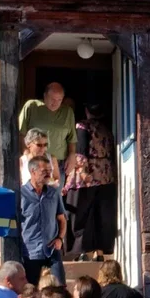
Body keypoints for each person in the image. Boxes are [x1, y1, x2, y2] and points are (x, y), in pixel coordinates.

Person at [64, 104, 116, 258]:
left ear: (86, 111)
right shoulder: (106, 129)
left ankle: (82, 251)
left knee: (81, 214)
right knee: (102, 214)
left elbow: (80, 153)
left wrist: (79, 176)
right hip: (106, 176)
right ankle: (99, 252)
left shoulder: (82, 126)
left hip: (87, 177)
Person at [19, 155, 67, 286]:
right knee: (31, 289)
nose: (48, 174)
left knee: (59, 287)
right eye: (44, 171)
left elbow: (62, 219)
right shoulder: (21, 194)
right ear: (32, 172)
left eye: (50, 170)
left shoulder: (54, 193)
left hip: (51, 249)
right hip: (30, 252)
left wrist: (60, 238)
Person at [17, 81, 75, 176]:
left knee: (55, 186)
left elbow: (72, 138)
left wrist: (72, 155)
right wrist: (26, 154)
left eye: (59, 100)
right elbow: (21, 133)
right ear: (45, 96)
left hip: (58, 164)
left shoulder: (68, 112)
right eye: (52, 99)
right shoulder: (31, 106)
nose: (55, 103)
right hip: (34, 161)